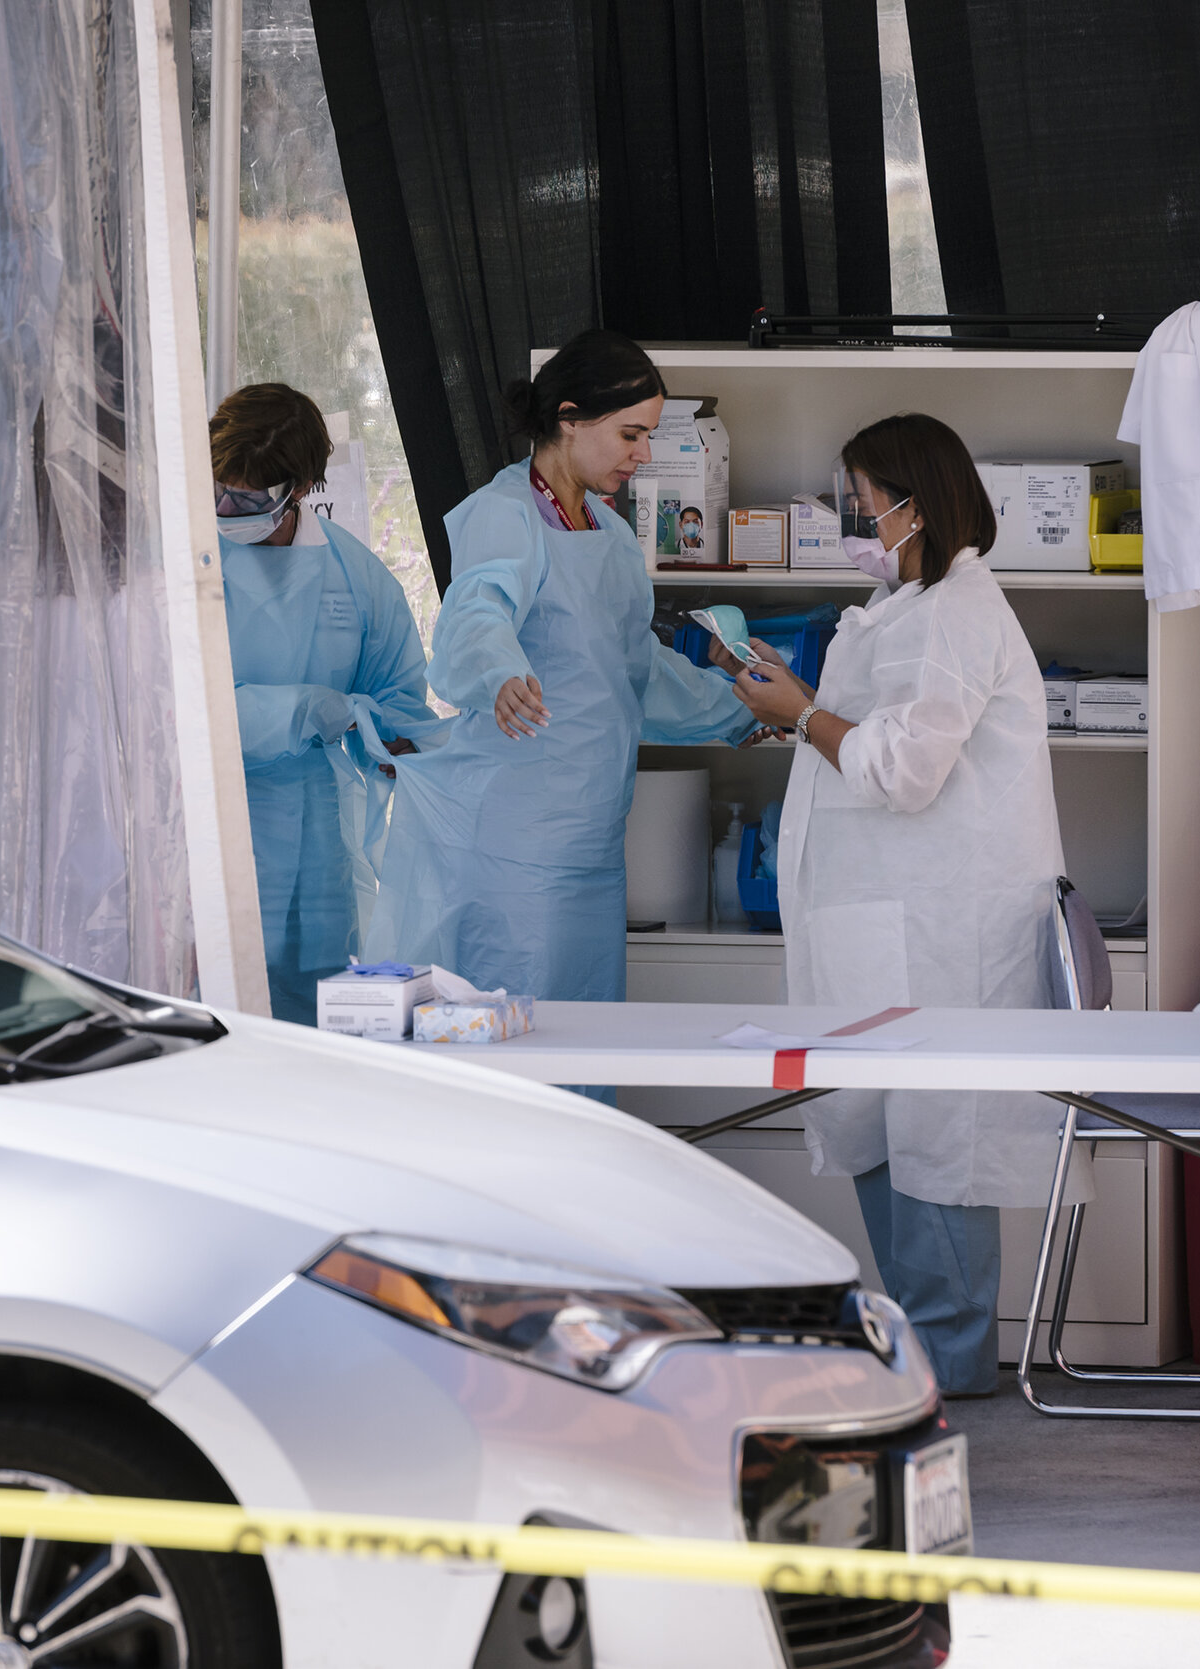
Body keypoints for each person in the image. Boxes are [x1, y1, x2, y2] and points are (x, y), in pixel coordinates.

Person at [719, 412, 1068, 1396]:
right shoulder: (903, 607)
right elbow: (872, 737)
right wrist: (799, 710)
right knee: (885, 1126)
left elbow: (907, 768)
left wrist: (803, 714)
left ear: (916, 500)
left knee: (937, 1141)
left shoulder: (955, 612)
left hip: (943, 926)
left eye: (863, 495)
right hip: (888, 918)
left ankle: (951, 1369)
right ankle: (923, 1356)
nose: (853, 512)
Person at [364, 330, 759, 1004]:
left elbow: (636, 672)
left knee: (587, 1036)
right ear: (570, 419)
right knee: (522, 1047)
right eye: (631, 434)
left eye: (649, 436)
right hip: (516, 850)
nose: (643, 454)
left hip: (593, 849)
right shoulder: (507, 513)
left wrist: (745, 705)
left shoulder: (608, 535)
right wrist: (498, 672)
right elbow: (478, 610)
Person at [212, 383, 434, 1024]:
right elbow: (165, 714)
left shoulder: (354, 577)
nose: (227, 508)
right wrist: (298, 710)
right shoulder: (183, 566)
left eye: (249, 498)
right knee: (219, 1009)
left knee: (318, 1018)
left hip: (319, 844)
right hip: (214, 829)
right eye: (219, 489)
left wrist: (401, 747)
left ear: (301, 488)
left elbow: (399, 704)